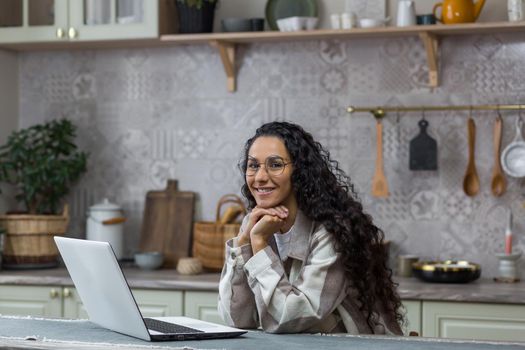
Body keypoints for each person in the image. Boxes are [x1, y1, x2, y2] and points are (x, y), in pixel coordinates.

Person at [218, 121, 403, 334]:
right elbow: (235, 319)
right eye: (253, 165)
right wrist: (243, 243)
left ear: (300, 171)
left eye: (276, 164)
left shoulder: (332, 231)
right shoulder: (256, 225)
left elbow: (290, 318)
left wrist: (258, 244)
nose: (260, 177)